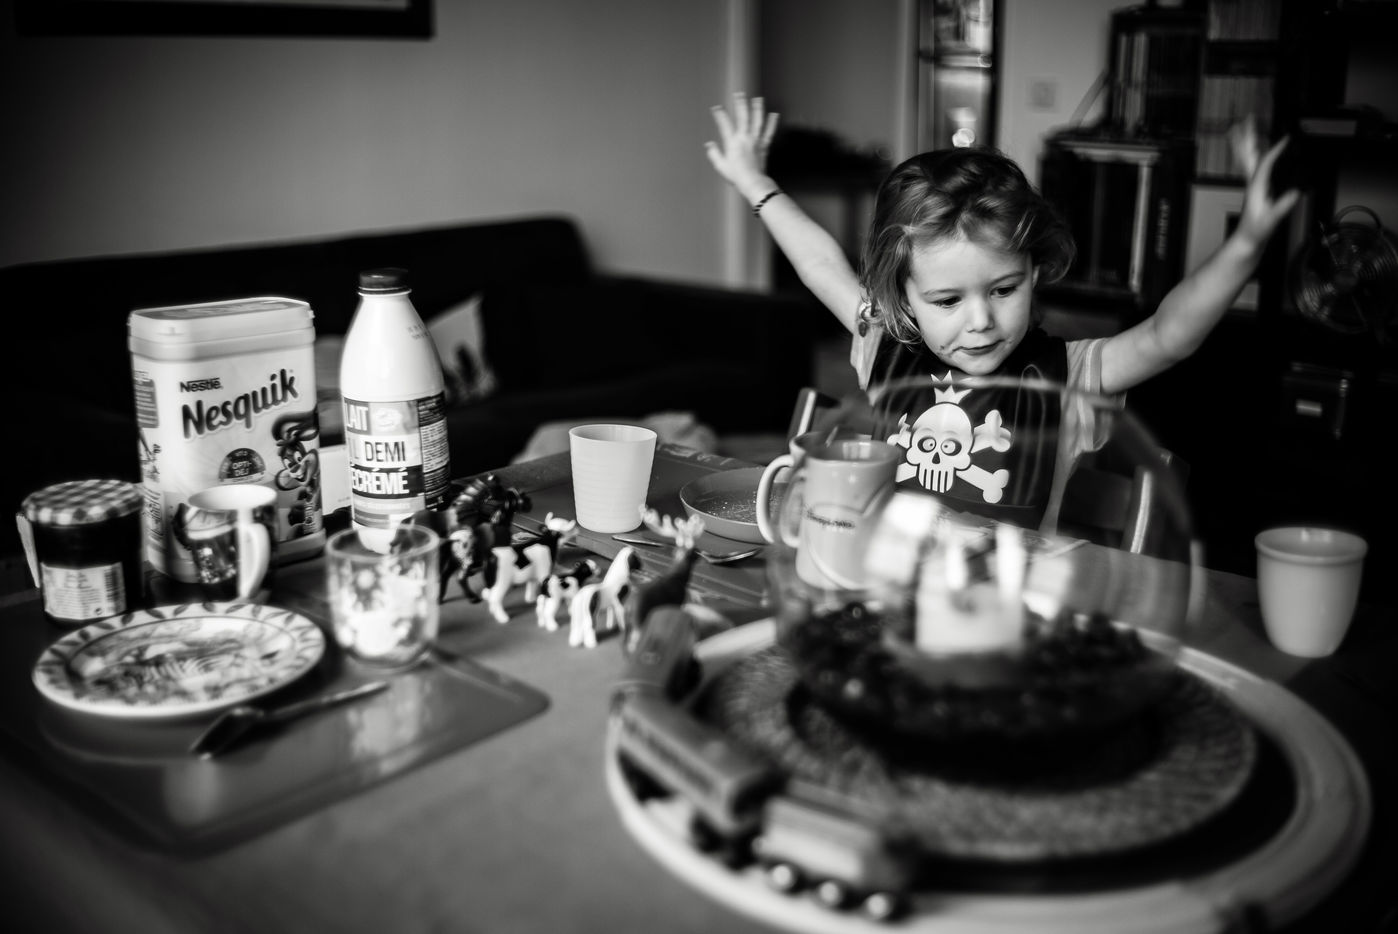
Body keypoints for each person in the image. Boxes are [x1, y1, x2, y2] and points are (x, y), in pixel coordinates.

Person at [704, 93, 1299, 528]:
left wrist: (1245, 245)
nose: (981, 321)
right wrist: (755, 182)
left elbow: (1168, 336)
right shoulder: (882, 344)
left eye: (1003, 289)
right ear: (901, 298)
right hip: (892, 601)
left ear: (1034, 273)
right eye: (946, 300)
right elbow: (820, 264)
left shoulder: (1072, 375)